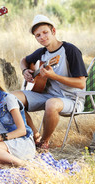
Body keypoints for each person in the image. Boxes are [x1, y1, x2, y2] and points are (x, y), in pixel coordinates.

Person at [12, 14, 87, 150]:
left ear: (53, 31)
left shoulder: (70, 50)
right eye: (38, 35)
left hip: (71, 99)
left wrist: (54, 76)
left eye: (45, 32)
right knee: (11, 98)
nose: (42, 37)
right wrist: (25, 71)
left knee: (51, 104)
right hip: (47, 95)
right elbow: (24, 60)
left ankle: (44, 143)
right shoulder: (42, 53)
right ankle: (35, 136)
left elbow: (81, 83)